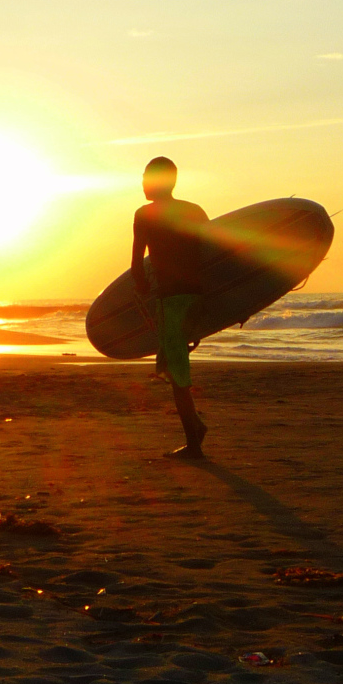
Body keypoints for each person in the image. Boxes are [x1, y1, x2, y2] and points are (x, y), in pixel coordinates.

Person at [132, 156, 210, 458]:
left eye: (145, 178)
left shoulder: (144, 215)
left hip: (172, 301)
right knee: (173, 365)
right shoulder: (195, 211)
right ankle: (195, 427)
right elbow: (213, 255)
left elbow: (138, 266)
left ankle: (194, 443)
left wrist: (141, 289)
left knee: (177, 373)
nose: (142, 183)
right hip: (197, 298)